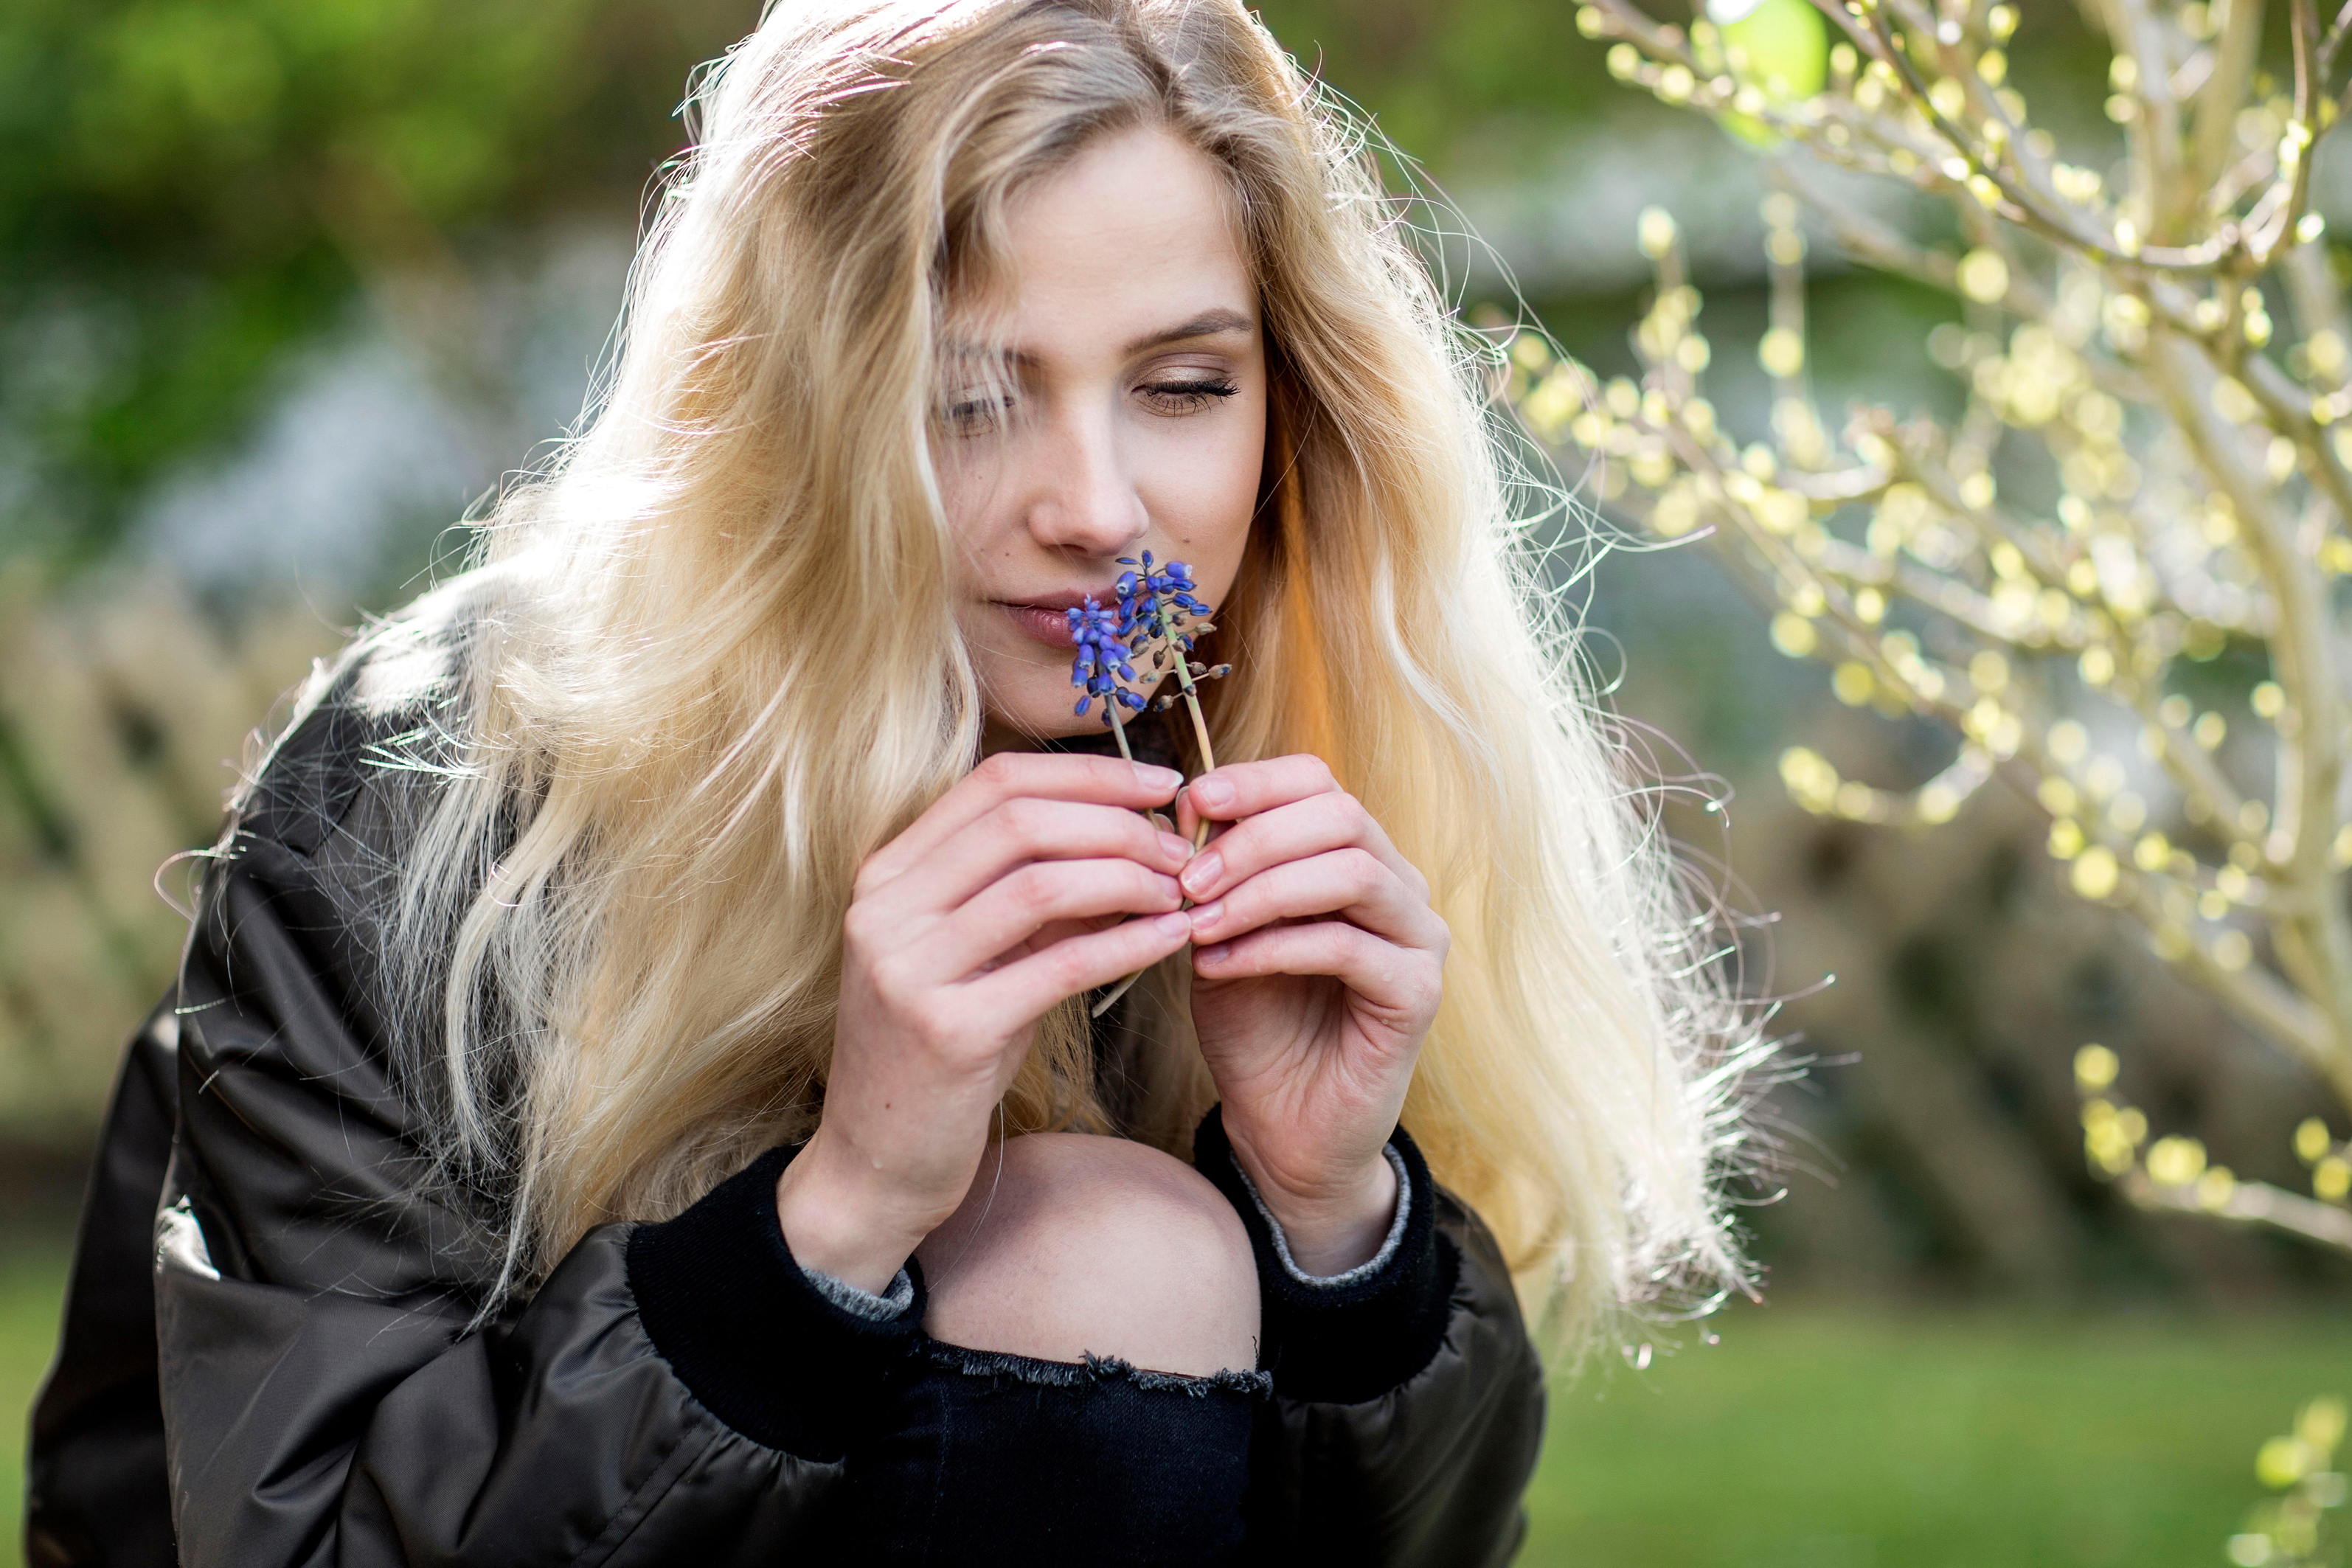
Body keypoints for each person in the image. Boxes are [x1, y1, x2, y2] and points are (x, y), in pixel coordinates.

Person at [27, 1, 1763, 1563]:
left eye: (1180, 386)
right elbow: (286, 1532)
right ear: (790, 408)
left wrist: (1333, 1223)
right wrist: (832, 1216)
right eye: (970, 397)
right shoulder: (441, 786)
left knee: (1131, 1250)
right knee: (1103, 1253)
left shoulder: (1259, 741)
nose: (1097, 507)